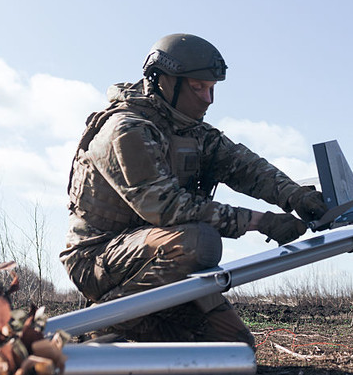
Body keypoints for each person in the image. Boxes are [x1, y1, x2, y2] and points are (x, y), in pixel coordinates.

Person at [60, 33, 328, 346]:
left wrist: (295, 196)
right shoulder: (126, 129)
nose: (208, 99)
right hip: (101, 260)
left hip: (165, 261)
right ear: (164, 82)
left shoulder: (193, 132)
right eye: (197, 87)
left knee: (234, 348)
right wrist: (260, 222)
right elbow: (166, 208)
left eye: (212, 88)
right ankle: (99, 324)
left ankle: (137, 329)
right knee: (201, 242)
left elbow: (247, 167)